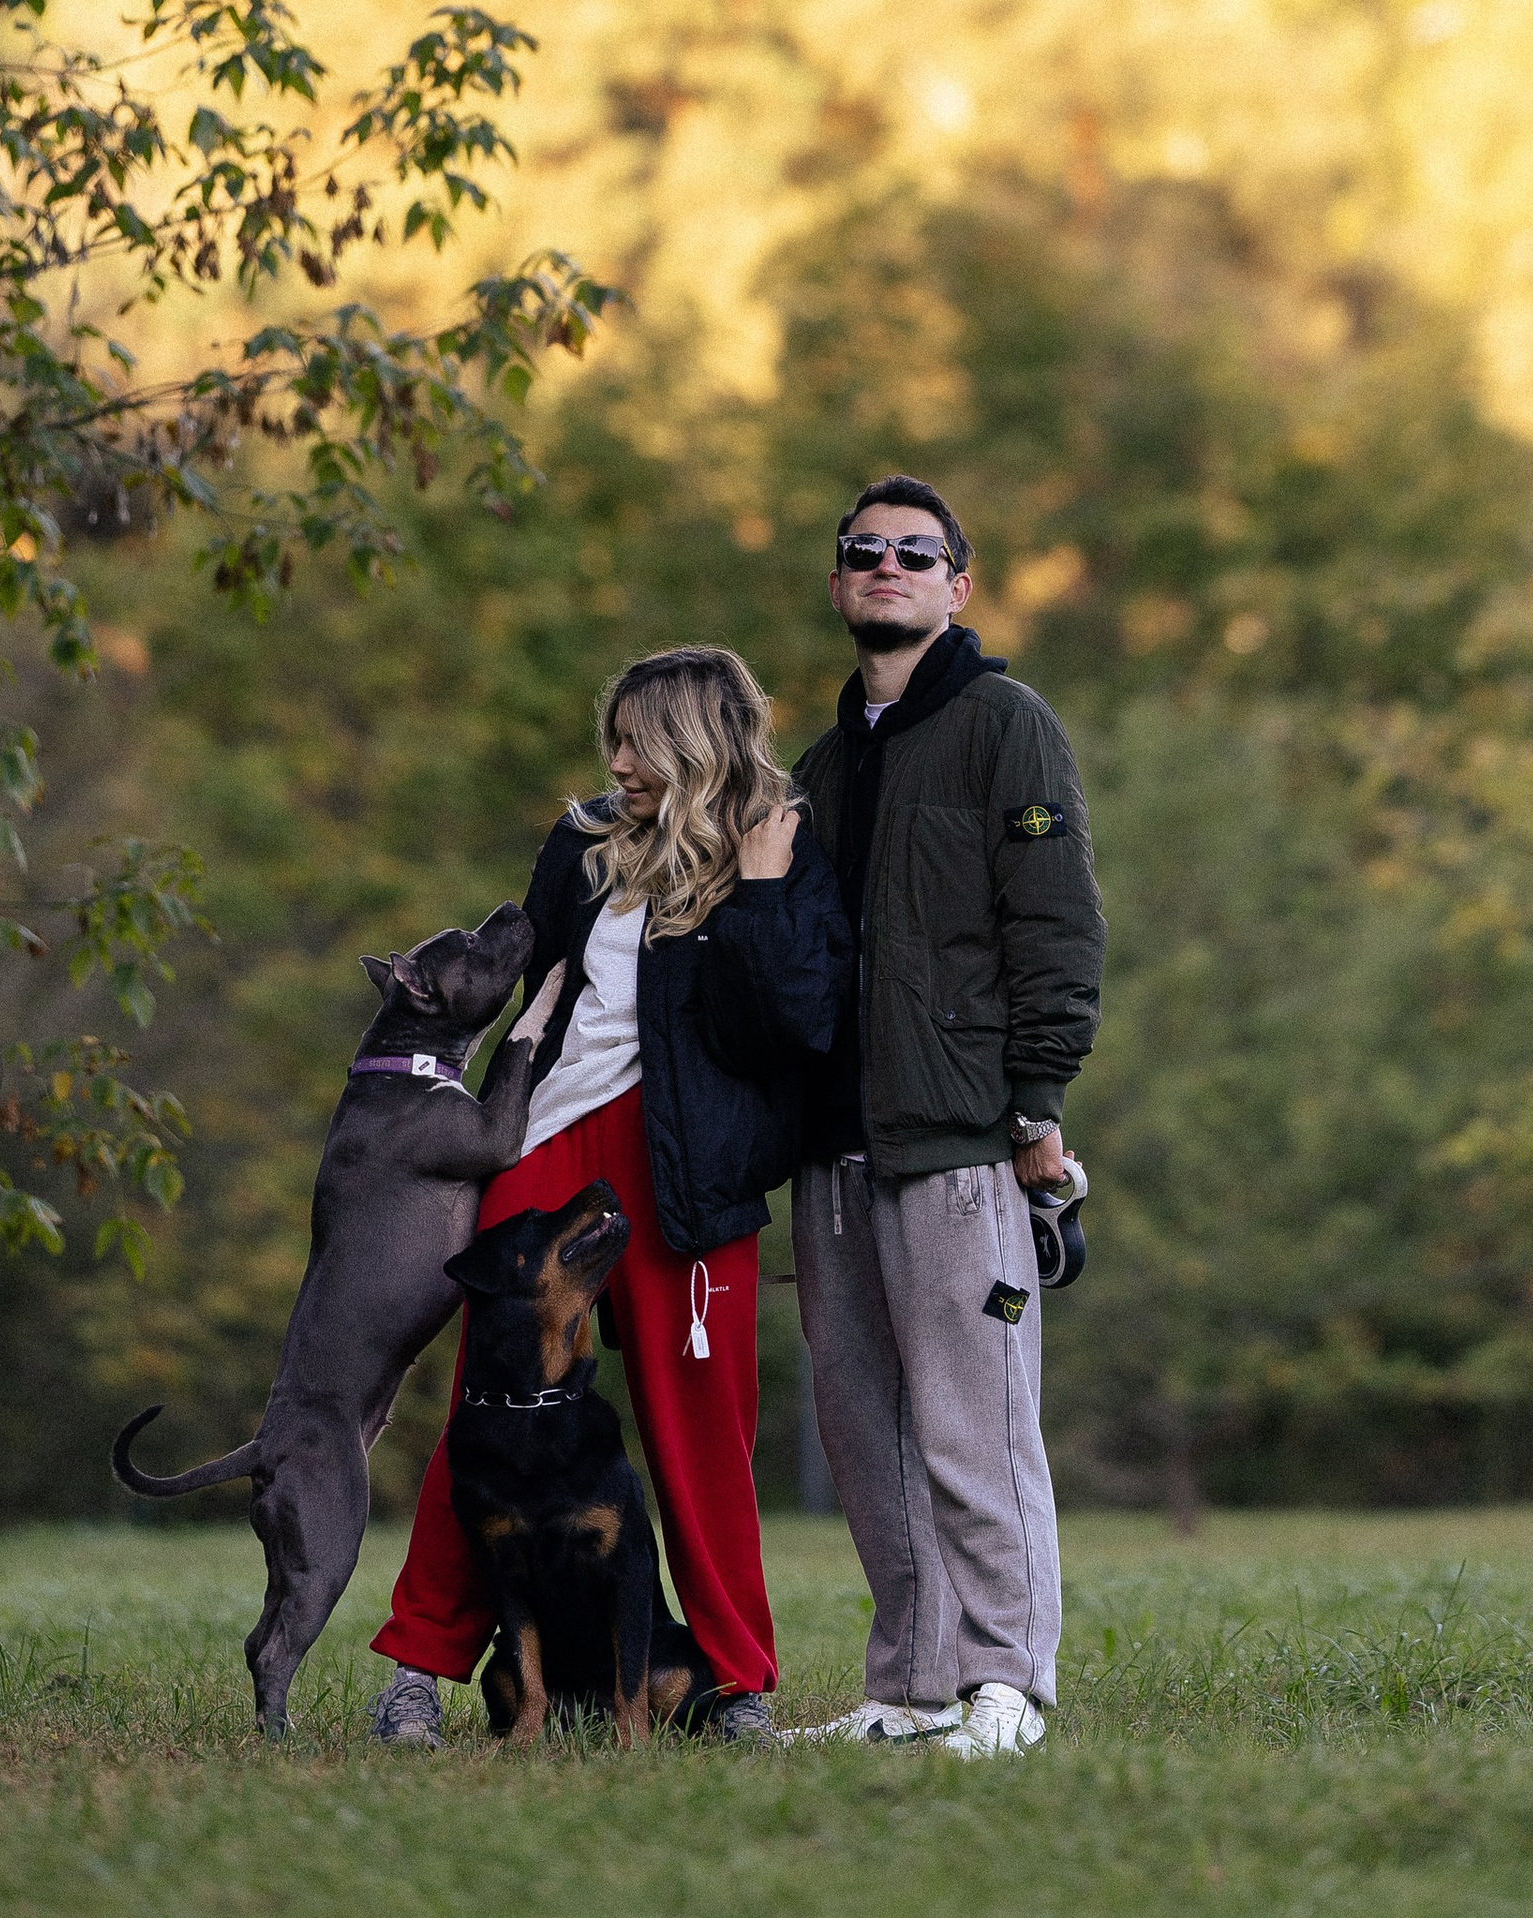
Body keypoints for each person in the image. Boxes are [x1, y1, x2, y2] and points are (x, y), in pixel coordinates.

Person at [369, 644, 852, 1747]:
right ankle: (418, 1669)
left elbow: (799, 1027)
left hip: (693, 1168)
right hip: (547, 1152)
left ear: (695, 741)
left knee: (703, 1435)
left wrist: (766, 891)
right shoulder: (584, 842)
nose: (619, 761)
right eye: (613, 740)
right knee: (482, 1417)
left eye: (637, 740)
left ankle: (734, 1684)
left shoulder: (781, 846)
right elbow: (522, 984)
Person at [789, 475, 1105, 1759]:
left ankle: (1006, 1684)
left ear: (957, 583)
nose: (887, 568)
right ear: (838, 582)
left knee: (978, 1428)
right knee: (870, 1439)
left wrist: (1036, 1106)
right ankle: (911, 1685)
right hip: (834, 1154)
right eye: (864, 551)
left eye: (915, 554)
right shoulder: (818, 766)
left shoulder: (1002, 725)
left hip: (962, 1140)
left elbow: (1058, 926)